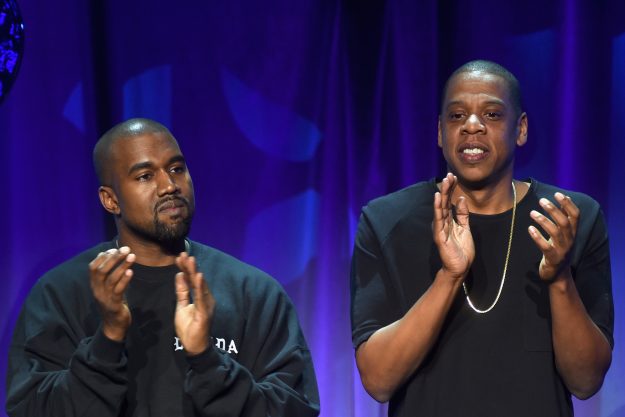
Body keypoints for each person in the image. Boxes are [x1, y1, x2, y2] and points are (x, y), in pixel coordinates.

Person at [6, 118, 320, 417]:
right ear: (110, 200)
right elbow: (33, 409)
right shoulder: (60, 293)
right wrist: (109, 338)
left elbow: (293, 408)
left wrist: (206, 359)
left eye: (176, 169)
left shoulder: (254, 293)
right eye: (145, 176)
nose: (169, 186)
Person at [350, 60, 613, 416]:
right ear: (440, 132)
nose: (472, 127)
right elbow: (379, 380)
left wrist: (560, 277)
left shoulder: (566, 220)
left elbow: (586, 381)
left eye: (491, 115)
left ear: (520, 129)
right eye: (457, 116)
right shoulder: (385, 221)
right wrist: (449, 276)